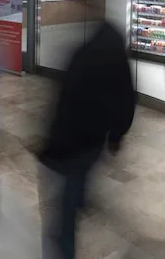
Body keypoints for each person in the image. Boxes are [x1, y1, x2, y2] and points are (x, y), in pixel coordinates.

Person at [37, 20, 136, 259]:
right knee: (71, 196)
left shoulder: (81, 54)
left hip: (65, 141)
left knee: (63, 208)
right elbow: (126, 102)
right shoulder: (116, 62)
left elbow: (61, 99)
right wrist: (115, 136)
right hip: (88, 142)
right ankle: (75, 211)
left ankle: (62, 244)